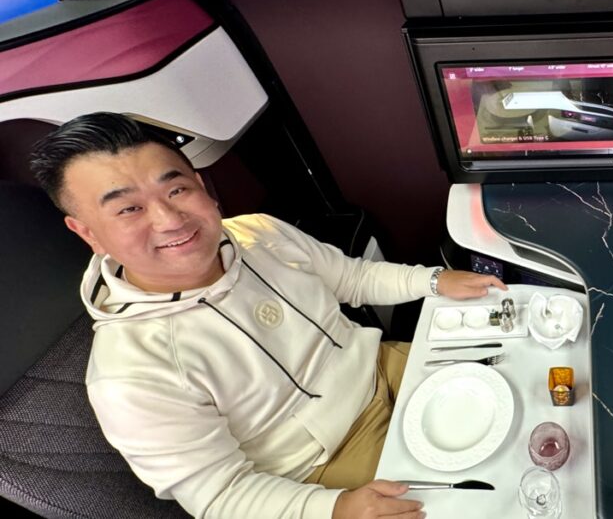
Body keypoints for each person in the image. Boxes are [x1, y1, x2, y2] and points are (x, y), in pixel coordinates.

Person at [28, 112, 507, 519]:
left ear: (201, 185)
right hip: (327, 466)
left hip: (387, 368)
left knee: (534, 390)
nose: (170, 220)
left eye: (175, 190)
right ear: (86, 231)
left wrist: (433, 281)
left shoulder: (257, 232)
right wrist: (335, 509)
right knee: (498, 505)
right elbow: (219, 496)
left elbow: (353, 278)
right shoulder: (129, 375)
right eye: (129, 208)